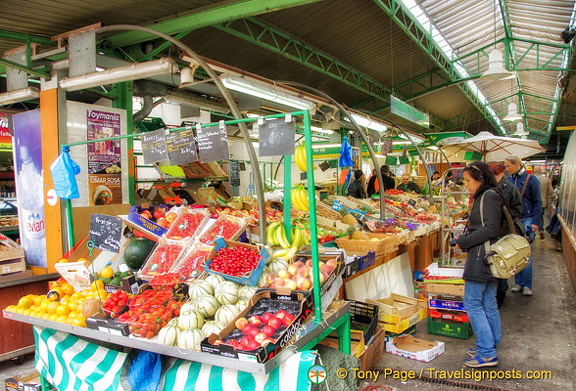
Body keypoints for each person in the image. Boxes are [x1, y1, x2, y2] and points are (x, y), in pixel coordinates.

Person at [455, 161, 504, 368]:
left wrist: (464, 241)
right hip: (489, 256)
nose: (466, 184)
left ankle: (486, 353)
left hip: (482, 257)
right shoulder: (490, 195)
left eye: (468, 180)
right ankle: (490, 343)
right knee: (488, 302)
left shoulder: (488, 196)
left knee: (473, 303)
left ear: (480, 179)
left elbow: (490, 229)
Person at [504, 155, 542, 297]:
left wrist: (535, 222)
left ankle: (527, 285)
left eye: (508, 166)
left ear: (517, 164)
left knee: (525, 253)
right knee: (515, 253)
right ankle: (519, 283)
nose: (506, 168)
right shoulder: (508, 180)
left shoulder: (531, 180)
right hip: (513, 220)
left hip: (527, 219)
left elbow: (537, 202)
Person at [491, 163, 523, 308]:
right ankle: (494, 294)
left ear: (500, 174)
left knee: (501, 263)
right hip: (491, 231)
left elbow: (518, 209)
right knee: (492, 263)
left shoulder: (510, 188)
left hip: (503, 232)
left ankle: (500, 295)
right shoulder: (488, 189)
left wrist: (504, 216)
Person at [533, 166, 554, 239]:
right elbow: (551, 192)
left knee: (531, 217)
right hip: (543, 202)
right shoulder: (546, 180)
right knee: (540, 216)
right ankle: (541, 230)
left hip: (532, 202)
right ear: (541, 171)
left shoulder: (530, 179)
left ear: (534, 171)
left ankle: (532, 233)